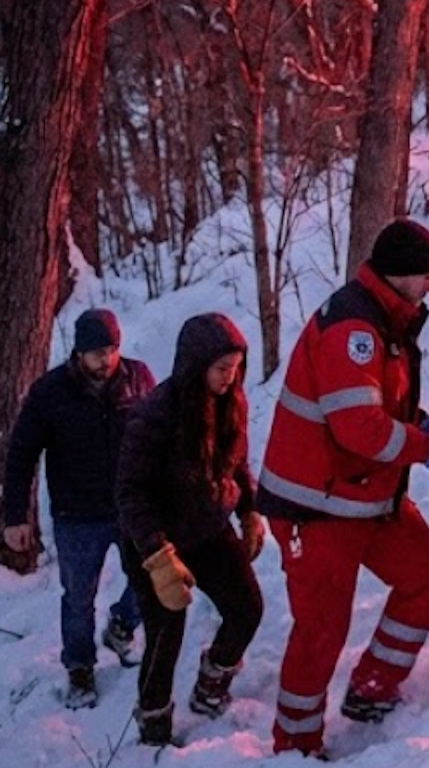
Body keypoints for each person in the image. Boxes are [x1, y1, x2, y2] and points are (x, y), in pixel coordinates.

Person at [257, 218, 429, 756]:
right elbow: (359, 427)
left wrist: (421, 423)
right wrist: (423, 447)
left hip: (365, 497)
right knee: (321, 628)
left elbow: (374, 404)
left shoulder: (382, 319)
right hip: (316, 505)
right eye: (427, 275)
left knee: (426, 575)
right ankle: (295, 745)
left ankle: (373, 688)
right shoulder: (355, 330)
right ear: (399, 274)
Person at [116, 313, 265, 747]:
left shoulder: (232, 402)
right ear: (196, 364)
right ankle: (153, 724)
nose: (230, 376)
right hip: (155, 538)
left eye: (236, 367)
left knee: (247, 606)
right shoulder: (155, 415)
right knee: (166, 631)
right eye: (222, 368)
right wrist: (159, 557)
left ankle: (213, 680)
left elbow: (238, 463)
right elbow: (130, 492)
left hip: (207, 526)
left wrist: (249, 512)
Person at [2, 309, 155, 709]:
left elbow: (158, 435)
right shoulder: (50, 392)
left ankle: (122, 626)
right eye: (96, 353)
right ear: (78, 353)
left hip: (130, 506)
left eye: (111, 350)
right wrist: (14, 515)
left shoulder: (138, 379)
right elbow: (21, 454)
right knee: (78, 597)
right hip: (76, 515)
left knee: (149, 579)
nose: (106, 361)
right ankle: (80, 668)